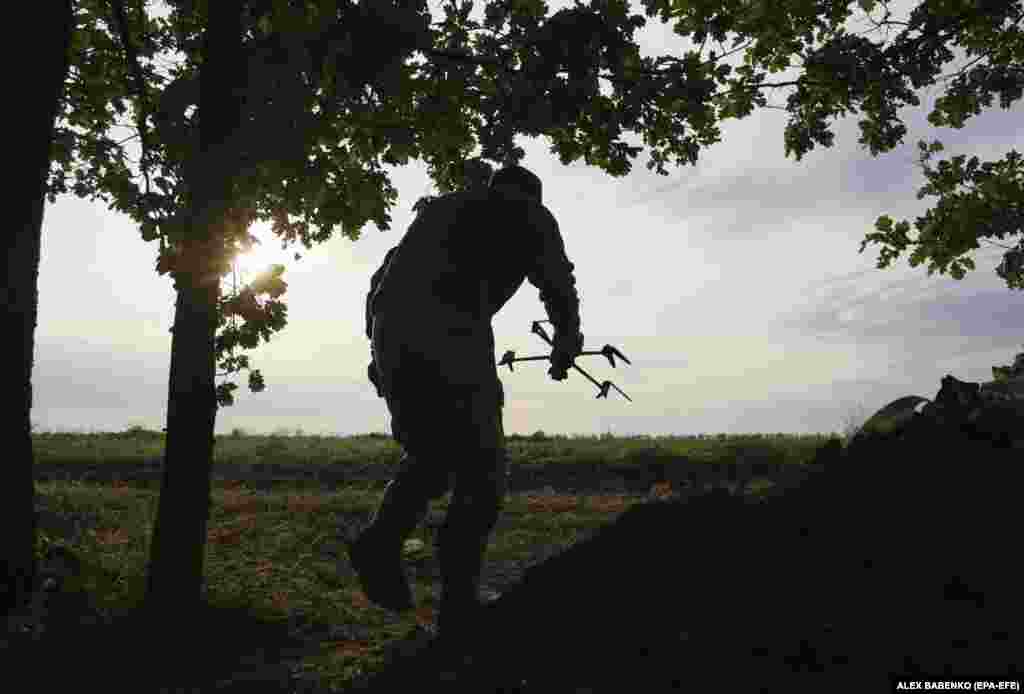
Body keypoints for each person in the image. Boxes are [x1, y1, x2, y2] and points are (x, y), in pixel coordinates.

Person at [348, 164, 584, 649]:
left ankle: (381, 542)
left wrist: (380, 358)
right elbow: (557, 280)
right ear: (528, 195)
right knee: (484, 470)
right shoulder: (528, 212)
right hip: (451, 332)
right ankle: (458, 606)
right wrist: (566, 337)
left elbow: (379, 285)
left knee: (433, 456)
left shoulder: (437, 211)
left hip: (392, 339)